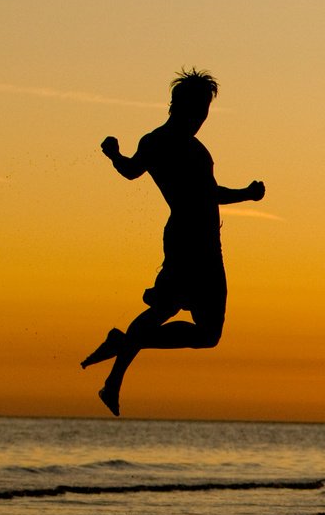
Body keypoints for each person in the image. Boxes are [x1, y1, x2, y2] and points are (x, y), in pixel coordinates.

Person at [81, 70, 265, 416]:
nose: (202, 118)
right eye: (198, 110)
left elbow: (131, 170)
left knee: (208, 334)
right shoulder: (168, 143)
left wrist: (114, 154)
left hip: (208, 243)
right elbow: (205, 192)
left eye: (205, 111)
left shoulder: (174, 145)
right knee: (166, 312)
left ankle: (120, 353)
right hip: (187, 242)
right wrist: (248, 194)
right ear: (179, 106)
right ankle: (116, 371)